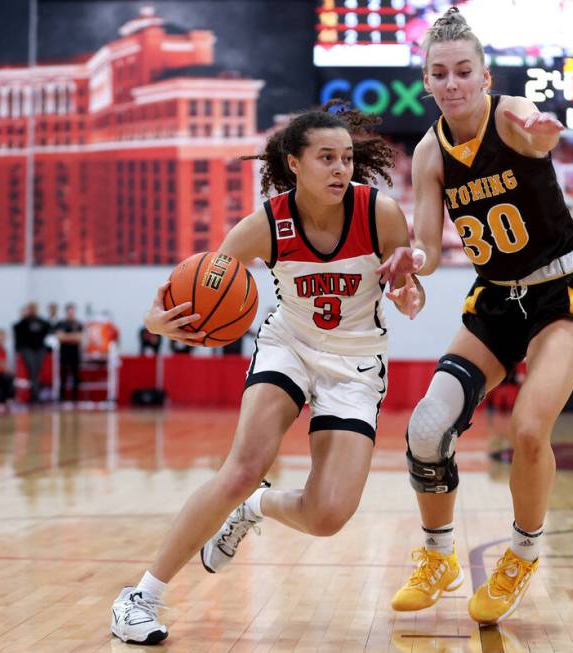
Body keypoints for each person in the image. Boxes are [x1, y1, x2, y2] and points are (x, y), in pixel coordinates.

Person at [109, 106, 423, 645]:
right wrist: (154, 321)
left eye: (346, 158)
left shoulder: (381, 215)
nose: (340, 168)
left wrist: (406, 290)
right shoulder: (264, 225)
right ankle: (140, 596)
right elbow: (198, 291)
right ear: (293, 163)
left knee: (327, 517)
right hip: (289, 348)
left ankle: (256, 507)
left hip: (356, 363)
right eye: (326, 157)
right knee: (242, 466)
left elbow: (412, 298)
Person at [378, 7, 573, 626]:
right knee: (426, 426)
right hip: (496, 297)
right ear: (426, 80)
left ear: (484, 75)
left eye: (463, 72)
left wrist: (540, 127)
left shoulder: (507, 115)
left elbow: (531, 127)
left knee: (530, 429)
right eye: (440, 73)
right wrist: (410, 258)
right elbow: (427, 247)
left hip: (562, 293)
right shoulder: (429, 152)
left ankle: (523, 553)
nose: (452, 83)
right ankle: (437, 555)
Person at [54, 303, 84, 403]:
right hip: (64, 353)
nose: (71, 313)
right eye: (69, 311)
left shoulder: (78, 324)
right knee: (63, 375)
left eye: (72, 311)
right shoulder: (60, 324)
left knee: (76, 375)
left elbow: (80, 338)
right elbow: (59, 337)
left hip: (75, 354)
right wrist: (72, 337)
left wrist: (66, 336)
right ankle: (62, 397)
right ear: (66, 312)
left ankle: (75, 397)